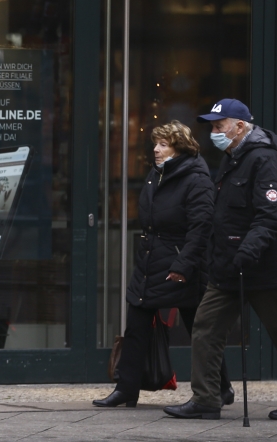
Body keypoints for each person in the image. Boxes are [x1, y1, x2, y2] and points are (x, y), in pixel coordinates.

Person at [163, 99, 277, 421]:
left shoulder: (264, 159)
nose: (215, 133)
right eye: (213, 127)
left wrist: (248, 249)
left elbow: (269, 216)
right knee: (205, 327)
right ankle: (206, 399)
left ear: (241, 127)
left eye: (220, 126)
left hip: (260, 266)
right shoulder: (233, 158)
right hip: (228, 266)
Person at [93, 120, 234, 409]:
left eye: (163, 145)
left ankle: (222, 387)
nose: (155, 150)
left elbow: (201, 227)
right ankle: (126, 389)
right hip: (150, 260)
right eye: (155, 144)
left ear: (179, 148)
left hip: (182, 265)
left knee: (201, 329)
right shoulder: (155, 175)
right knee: (136, 324)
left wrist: (183, 264)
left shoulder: (196, 178)